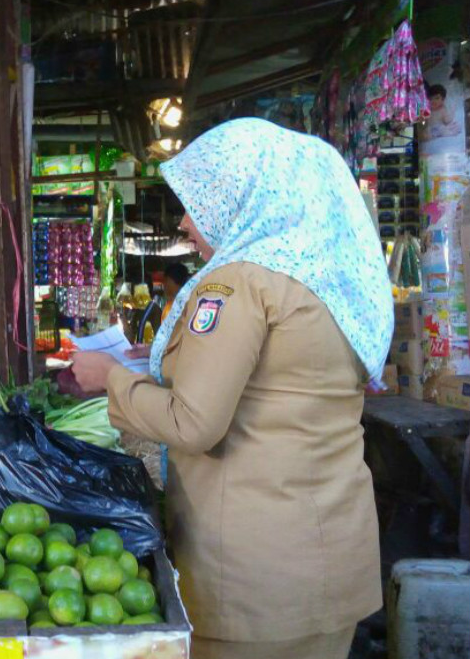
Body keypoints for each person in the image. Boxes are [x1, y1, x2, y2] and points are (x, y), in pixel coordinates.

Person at [72, 118, 391, 659]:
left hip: (254, 582)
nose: (186, 223)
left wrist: (112, 381)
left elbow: (191, 422)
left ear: (242, 198)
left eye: (199, 202)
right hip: (333, 560)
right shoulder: (336, 284)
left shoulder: (240, 282)